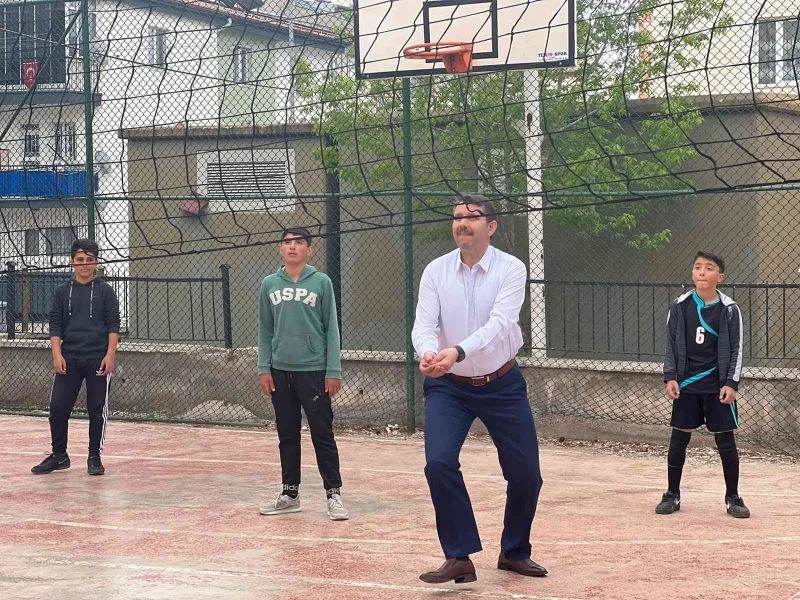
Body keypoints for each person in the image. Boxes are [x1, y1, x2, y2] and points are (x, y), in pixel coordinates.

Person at [411, 194, 546, 584]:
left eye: (472, 217)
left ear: (491, 226)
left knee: (526, 474)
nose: (462, 223)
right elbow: (424, 324)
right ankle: (459, 556)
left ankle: (514, 552)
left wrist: (457, 350)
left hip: (502, 383)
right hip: (448, 386)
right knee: (439, 463)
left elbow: (500, 323)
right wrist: (428, 352)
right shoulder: (436, 271)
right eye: (457, 217)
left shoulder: (511, 268)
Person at [257, 227, 349, 521]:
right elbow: (265, 330)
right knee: (287, 434)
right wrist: (264, 367)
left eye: (299, 242)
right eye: (287, 243)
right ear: (279, 249)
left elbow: (331, 328)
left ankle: (333, 494)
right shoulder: (269, 284)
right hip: (280, 371)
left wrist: (332, 370)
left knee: (322, 434)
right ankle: (290, 494)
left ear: (309, 249)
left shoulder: (321, 282)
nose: (293, 247)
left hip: (313, 371)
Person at [657, 251, 749, 518]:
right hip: (687, 384)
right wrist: (671, 376)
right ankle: (672, 494)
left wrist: (731, 383)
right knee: (679, 437)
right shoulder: (680, 305)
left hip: (717, 385)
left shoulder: (729, 309)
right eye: (698, 267)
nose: (702, 272)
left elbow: (736, 349)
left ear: (720, 277)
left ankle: (733, 497)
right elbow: (671, 345)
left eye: (709, 268)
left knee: (725, 440)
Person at [32, 239, 120, 476]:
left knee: (96, 408)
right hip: (69, 357)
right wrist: (57, 355)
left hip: (97, 358)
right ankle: (59, 456)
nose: (84, 264)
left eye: (89, 260)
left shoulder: (105, 290)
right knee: (58, 407)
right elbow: (55, 325)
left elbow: (114, 325)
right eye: (80, 260)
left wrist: (110, 355)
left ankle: (94, 457)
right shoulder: (62, 291)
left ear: (96, 263)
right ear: (72, 262)